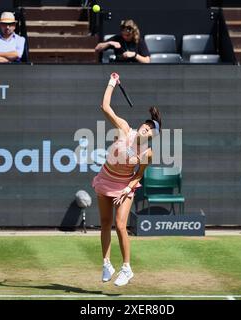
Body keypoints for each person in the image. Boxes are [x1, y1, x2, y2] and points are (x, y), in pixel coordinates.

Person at [92, 73, 161, 286]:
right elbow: (105, 106)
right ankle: (106, 264)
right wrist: (112, 82)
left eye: (150, 129)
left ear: (152, 136)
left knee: (120, 225)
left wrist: (127, 189)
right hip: (105, 178)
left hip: (124, 185)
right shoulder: (124, 128)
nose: (146, 128)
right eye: (145, 124)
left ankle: (126, 268)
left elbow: (139, 175)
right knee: (104, 223)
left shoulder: (148, 153)